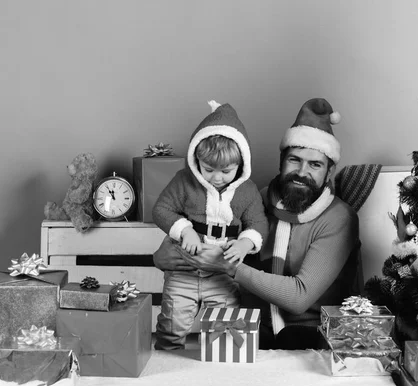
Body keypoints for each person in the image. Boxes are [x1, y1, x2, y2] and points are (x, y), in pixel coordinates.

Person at [153, 98, 361, 350]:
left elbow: (298, 298)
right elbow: (194, 228)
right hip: (251, 326)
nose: (302, 171)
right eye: (294, 159)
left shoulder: (338, 217)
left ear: (329, 171)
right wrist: (165, 256)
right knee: (204, 353)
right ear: (282, 160)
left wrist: (228, 266)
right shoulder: (256, 200)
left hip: (308, 333)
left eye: (315, 164)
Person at [152, 100, 269, 350]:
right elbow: (161, 209)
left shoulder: (246, 191)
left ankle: (218, 371)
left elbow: (258, 223)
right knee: (173, 322)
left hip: (222, 274)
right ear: (197, 160)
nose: (216, 178)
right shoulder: (184, 181)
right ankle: (166, 363)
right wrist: (185, 230)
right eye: (208, 169)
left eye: (226, 171)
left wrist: (245, 244)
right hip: (184, 270)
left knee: (225, 328)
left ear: (240, 165)